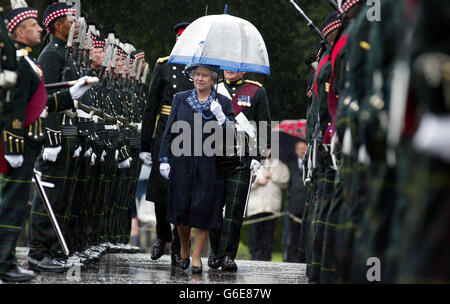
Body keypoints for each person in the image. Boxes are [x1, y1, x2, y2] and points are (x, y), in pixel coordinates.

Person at [0, 1, 94, 282]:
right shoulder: (17, 61)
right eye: (32, 26)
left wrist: (72, 93)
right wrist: (13, 145)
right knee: (11, 206)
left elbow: (40, 104)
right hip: (20, 143)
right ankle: (9, 262)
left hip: (30, 141)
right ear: (18, 32)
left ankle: (7, 262)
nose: (38, 29)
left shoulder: (27, 59)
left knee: (17, 207)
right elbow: (14, 107)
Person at [27, 0, 86, 272]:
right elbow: (43, 97)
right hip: (54, 133)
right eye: (71, 20)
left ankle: (51, 249)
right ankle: (38, 252)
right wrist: (50, 136)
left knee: (59, 196)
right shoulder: (51, 54)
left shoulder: (65, 54)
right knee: (48, 195)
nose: (76, 24)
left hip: (65, 132)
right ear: (58, 25)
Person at [159, 63, 234, 274]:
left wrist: (222, 118)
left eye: (204, 76)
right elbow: (170, 130)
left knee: (203, 210)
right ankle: (184, 247)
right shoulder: (180, 98)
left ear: (213, 80)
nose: (199, 79)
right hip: (182, 161)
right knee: (181, 211)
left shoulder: (223, 102)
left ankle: (196, 256)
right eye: (197, 75)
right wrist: (164, 158)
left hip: (209, 164)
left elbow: (231, 137)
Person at [139, 22, 193, 265]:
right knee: (160, 188)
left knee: (184, 189)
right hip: (164, 129)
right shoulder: (163, 65)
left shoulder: (200, 67)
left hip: (190, 131)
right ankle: (162, 235)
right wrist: (144, 144)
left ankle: (179, 242)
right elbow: (151, 107)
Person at [208, 69, 271, 271]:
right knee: (213, 207)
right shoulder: (213, 88)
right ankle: (215, 251)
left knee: (235, 209)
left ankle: (228, 255)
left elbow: (263, 125)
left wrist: (258, 156)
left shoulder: (255, 91)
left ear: (243, 68)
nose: (230, 69)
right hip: (215, 157)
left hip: (242, 158)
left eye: (235, 64)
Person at [246, 152, 290, 261]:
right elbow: (246, 182)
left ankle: (266, 257)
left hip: (272, 206)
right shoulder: (253, 164)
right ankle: (254, 256)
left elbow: (286, 181)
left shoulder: (280, 165)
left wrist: (273, 176)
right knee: (255, 233)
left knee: (269, 234)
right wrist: (257, 182)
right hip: (256, 206)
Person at [282, 140, 308, 263]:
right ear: (296, 151)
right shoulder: (290, 165)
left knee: (306, 234)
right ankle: (291, 259)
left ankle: (303, 258)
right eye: (300, 148)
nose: (302, 150)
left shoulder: (312, 165)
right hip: (293, 205)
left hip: (307, 205)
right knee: (292, 234)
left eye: (304, 148)